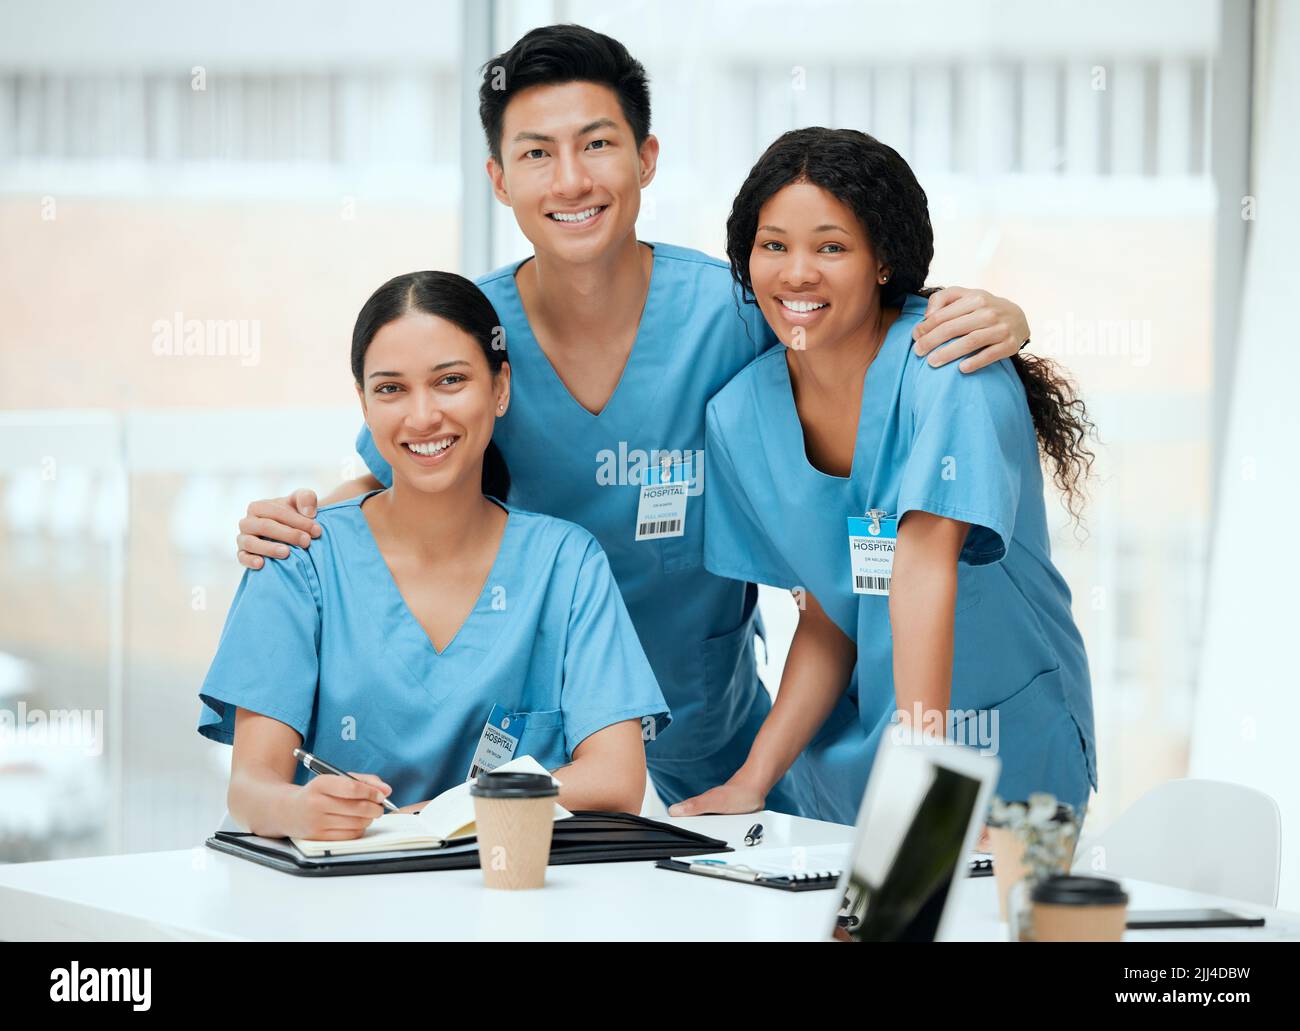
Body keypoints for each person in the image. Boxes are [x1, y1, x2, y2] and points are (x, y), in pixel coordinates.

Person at [229, 24, 1035, 816]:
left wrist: (1003, 316)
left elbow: (843, 312)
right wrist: (298, 522)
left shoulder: (732, 309)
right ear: (499, 178)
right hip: (541, 740)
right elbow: (401, 466)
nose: (571, 180)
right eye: (537, 153)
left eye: (598, 144)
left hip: (709, 727)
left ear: (647, 158)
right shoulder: (475, 333)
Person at [669, 128, 1097, 827]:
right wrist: (752, 777)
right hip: (854, 777)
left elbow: (924, 565)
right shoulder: (740, 415)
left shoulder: (948, 369)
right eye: (773, 244)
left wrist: (923, 771)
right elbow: (831, 618)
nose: (797, 272)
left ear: (882, 260)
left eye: (831, 246)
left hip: (1000, 746)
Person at [198, 271, 668, 840]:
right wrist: (298, 809)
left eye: (450, 381)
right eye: (391, 389)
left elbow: (617, 777)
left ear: (500, 389)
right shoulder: (299, 559)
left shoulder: (566, 565)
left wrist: (433, 815)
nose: (422, 417)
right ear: (365, 406)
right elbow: (250, 788)